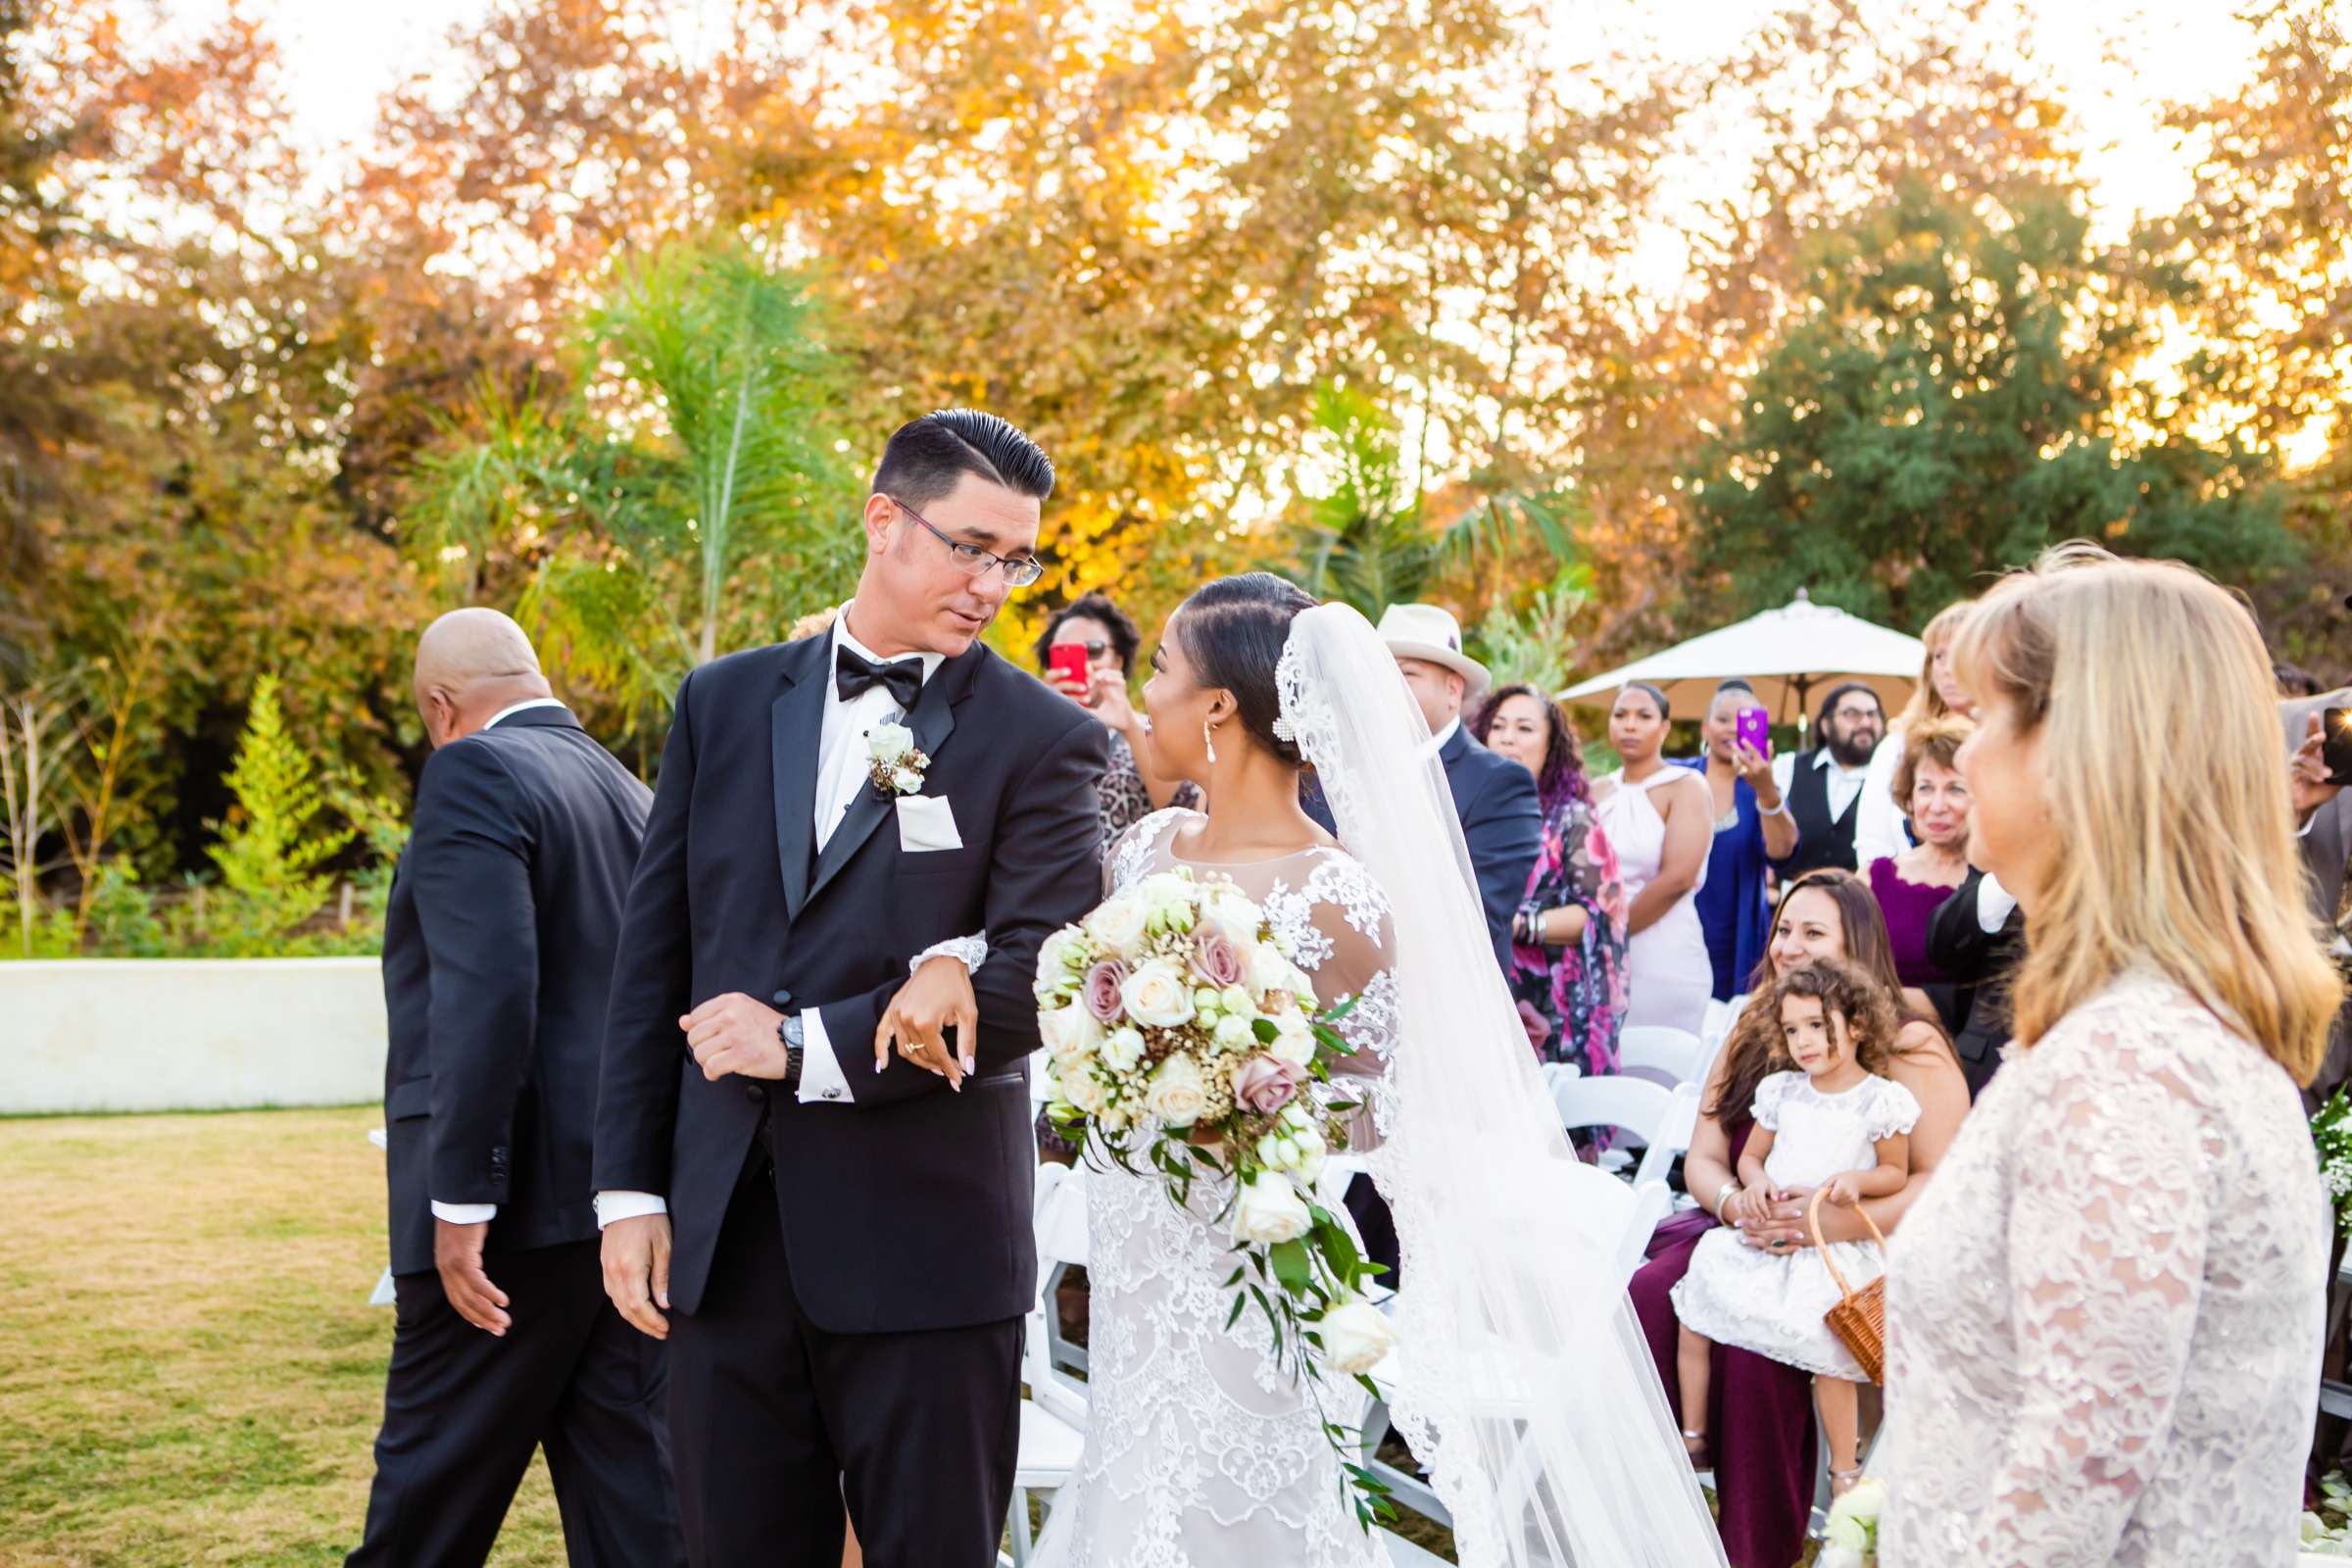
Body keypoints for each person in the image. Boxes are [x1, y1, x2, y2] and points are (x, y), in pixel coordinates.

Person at [1011, 579, 1729, 1567]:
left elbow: (1374, 1108)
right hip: (1138, 1250)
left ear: (1219, 704)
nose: (1147, 693)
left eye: (1163, 669)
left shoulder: (1334, 889)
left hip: (1250, 1266)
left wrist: (1236, 1099)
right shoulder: (1142, 849)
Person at [592, 410, 1107, 1568]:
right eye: (970, 545)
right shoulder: (720, 702)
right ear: (885, 520)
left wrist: (808, 1045)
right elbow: (654, 959)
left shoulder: (1045, 738)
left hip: (927, 1248)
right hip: (722, 1241)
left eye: (1016, 559)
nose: (993, 584)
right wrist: (627, 1189)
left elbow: (1046, 973)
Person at [1882, 546, 2338, 1566]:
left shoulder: (2127, 1065)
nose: (1964, 753)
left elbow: (2070, 1485)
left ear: (2082, 748)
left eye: (1991, 715)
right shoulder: (2167, 1027)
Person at [351, 609, 681, 1568]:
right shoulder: (630, 789)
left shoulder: (470, 771)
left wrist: (461, 1199)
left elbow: (487, 993)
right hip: (621, 1210)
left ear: (442, 707)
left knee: (424, 1511)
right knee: (640, 1519)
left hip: (507, 1224)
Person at [1630, 868, 1969, 1568]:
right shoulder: (1757, 1024)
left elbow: (1941, 1181)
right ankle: (1645, 1512)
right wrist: (1735, 1204)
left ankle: (1755, 1548)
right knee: (1650, 1294)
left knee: (1766, 1347)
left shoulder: (1907, 1041)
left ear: (1858, 945)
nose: (1788, 946)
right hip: (1738, 1227)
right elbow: (1704, 1156)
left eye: (1812, 932)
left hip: (1854, 1246)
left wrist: (1816, 1228)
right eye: (1783, 928)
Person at [1673, 957, 1919, 1500]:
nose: (1803, 1041)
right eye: (1792, 1029)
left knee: (1823, 1343)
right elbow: (1752, 1158)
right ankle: (1693, 1436)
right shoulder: (1784, 1090)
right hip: (1767, 1237)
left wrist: (1855, 1180)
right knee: (1697, 1298)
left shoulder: (1881, 1099)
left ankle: (1845, 1468)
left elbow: (1894, 1171)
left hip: (1826, 1247)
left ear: (1855, 1025)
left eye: (1816, 1025)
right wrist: (1754, 1184)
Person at [1303, 602, 1541, 977]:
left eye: (1405, 673)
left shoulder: (1500, 784)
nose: (1383, 687)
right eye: (1376, 673)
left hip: (1448, 998)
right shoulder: (1331, 771)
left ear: (1452, 690)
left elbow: (1478, 915)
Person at [1475, 681, 1630, 1075]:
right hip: (1481, 988)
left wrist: (1517, 926)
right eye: (1499, 726)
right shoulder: (1469, 815)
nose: (1508, 738)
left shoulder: (1571, 819)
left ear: (1550, 746)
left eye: (1524, 729)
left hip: (1552, 1004)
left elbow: (1598, 915)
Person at [1035, 591, 1200, 856]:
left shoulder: (1149, 726)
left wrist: (1128, 725)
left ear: (1118, 659)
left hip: (1128, 889)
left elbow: (1182, 806)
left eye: (1094, 650)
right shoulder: (1029, 729)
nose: (1084, 664)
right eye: (1065, 653)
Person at [1594, 682, 1715, 1033]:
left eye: (1643, 716)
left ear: (1665, 728)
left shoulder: (1686, 785)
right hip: (1597, 955)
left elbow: (1677, 878)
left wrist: (1607, 934)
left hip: (1663, 953)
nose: (1630, 725)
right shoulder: (1597, 789)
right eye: (1621, 715)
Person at [1681, 680, 1796, 1003]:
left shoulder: (1761, 787)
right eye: (1722, 719)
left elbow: (1782, 852)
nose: (1732, 728)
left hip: (1739, 939)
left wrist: (1765, 788)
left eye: (1744, 720)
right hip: (1679, 931)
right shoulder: (1678, 777)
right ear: (1704, 728)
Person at [1864, 714, 1973, 1032]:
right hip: (1879, 1044)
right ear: (1909, 798)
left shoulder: (2000, 884)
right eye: (1926, 788)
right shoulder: (1874, 878)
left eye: (1955, 788)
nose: (1937, 805)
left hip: (1968, 1057)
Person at [1854, 602, 1974, 865]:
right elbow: (1872, 844)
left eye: (1959, 654)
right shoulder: (1898, 744)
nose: (1947, 668)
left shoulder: (2013, 740)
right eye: (1938, 656)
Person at [1769, 681, 1885, 877]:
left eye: (1872, 714)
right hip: (1794, 901)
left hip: (1864, 903)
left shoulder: (1890, 776)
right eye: (1852, 714)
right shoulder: (1787, 768)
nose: (1865, 723)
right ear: (1825, 724)